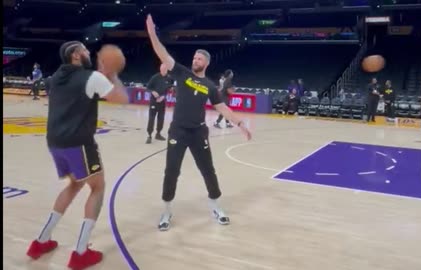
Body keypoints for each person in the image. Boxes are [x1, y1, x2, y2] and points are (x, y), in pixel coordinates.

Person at [26, 41, 129, 269]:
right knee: (98, 187)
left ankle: (40, 242)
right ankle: (80, 252)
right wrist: (111, 74)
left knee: (75, 185)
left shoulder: (55, 78)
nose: (87, 53)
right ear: (75, 55)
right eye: (83, 49)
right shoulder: (91, 77)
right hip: (79, 143)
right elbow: (122, 99)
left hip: (54, 141)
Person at [145, 14, 252, 231]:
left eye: (199, 59)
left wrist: (240, 124)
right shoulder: (182, 73)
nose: (195, 60)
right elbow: (163, 54)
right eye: (194, 57)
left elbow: (223, 108)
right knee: (171, 171)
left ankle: (215, 205)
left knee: (208, 170)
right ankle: (166, 210)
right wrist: (152, 35)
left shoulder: (211, 86)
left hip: (198, 132)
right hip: (178, 131)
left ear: (206, 63)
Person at [145, 64, 171, 143]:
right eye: (161, 69)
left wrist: (163, 96)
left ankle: (158, 133)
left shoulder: (169, 78)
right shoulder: (155, 77)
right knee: (151, 118)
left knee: (161, 118)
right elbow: (148, 87)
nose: (162, 71)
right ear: (160, 69)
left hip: (162, 102)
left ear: (167, 69)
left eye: (164, 69)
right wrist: (153, 92)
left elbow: (168, 89)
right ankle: (149, 135)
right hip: (154, 101)